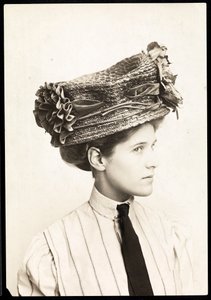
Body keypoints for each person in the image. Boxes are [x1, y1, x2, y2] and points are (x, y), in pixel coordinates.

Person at [17, 42, 194, 296]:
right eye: (138, 149)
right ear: (98, 159)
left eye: (152, 146)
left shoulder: (171, 237)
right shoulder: (53, 250)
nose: (153, 161)